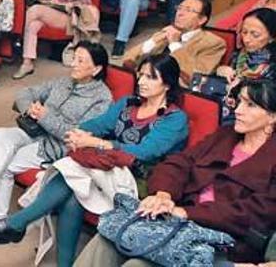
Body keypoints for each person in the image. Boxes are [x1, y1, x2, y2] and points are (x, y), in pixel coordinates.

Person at [0, 55, 188, 267]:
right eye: (140, 75)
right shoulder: (128, 103)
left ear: (167, 84)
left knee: (74, 179)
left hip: (138, 178)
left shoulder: (174, 118)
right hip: (107, 166)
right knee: (74, 195)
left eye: (150, 77)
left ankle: (15, 224)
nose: (141, 81)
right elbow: (99, 124)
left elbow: (145, 152)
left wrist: (97, 143)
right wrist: (78, 134)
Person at [74, 78, 276, 266]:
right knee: (108, 239)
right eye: (239, 102)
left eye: (250, 105)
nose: (238, 111)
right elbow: (179, 162)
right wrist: (164, 194)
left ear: (272, 117)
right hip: (174, 218)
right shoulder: (225, 135)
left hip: (220, 237)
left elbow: (254, 213)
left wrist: (185, 212)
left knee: (137, 263)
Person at [0, 41, 111, 223]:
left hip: (55, 147)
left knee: (7, 164)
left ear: (96, 69)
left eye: (80, 61)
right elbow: (25, 93)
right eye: (74, 58)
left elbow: (79, 136)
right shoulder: (64, 81)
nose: (73, 64)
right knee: (1, 134)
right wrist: (30, 109)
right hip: (33, 132)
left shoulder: (102, 99)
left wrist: (45, 117)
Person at [14, 0, 92, 79]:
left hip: (68, 18)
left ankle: (16, 38)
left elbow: (84, 4)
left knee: (35, 9)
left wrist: (61, 2)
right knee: (33, 25)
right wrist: (49, 1)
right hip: (48, 12)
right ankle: (27, 63)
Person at [124, 0, 226, 86]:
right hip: (143, 83)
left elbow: (195, 79)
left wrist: (174, 44)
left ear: (202, 20)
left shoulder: (213, 43)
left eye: (189, 10)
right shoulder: (166, 32)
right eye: (179, 8)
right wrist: (153, 41)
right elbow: (127, 59)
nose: (180, 13)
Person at [216, 8, 276, 125]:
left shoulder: (272, 67)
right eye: (244, 32)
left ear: (272, 37)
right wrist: (220, 70)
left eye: (255, 35)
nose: (247, 39)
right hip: (227, 110)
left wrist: (240, 83)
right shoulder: (240, 54)